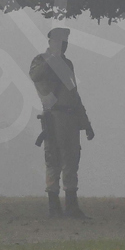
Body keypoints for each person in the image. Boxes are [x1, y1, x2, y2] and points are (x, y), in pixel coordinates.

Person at [29, 27, 94, 218]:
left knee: (71, 160)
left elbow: (73, 94)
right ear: (50, 43)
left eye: (65, 43)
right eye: (59, 42)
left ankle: (71, 206)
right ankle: (54, 206)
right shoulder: (40, 60)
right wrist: (52, 58)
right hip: (53, 115)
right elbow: (35, 75)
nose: (63, 46)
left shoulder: (68, 64)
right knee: (53, 160)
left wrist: (85, 122)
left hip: (70, 117)